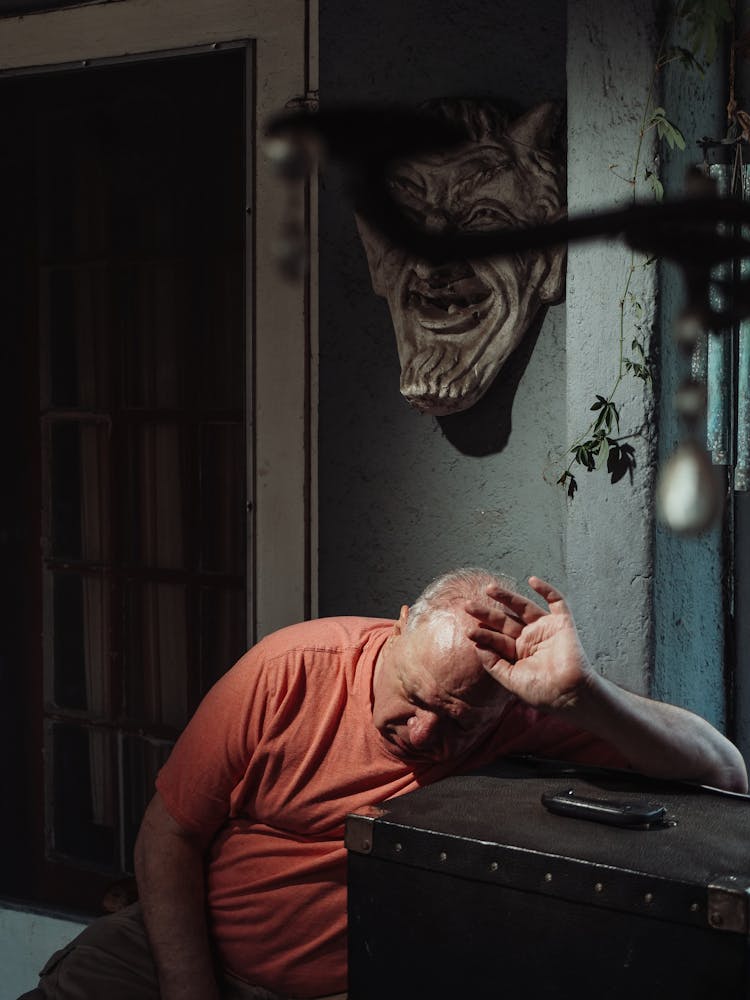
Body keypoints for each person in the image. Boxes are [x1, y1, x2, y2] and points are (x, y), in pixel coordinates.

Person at [23, 568, 747, 1000]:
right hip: (183, 953)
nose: (428, 737)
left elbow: (724, 773)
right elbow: (168, 834)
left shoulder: (518, 713)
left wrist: (585, 695)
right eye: (419, 700)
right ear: (398, 627)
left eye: (460, 724)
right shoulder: (289, 669)